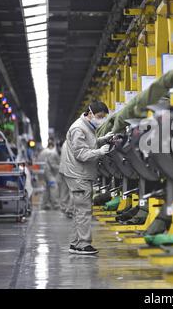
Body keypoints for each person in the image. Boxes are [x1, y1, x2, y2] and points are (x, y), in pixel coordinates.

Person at [59, 101, 114, 255]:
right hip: (78, 174)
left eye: (103, 117)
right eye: (99, 116)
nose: (101, 119)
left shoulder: (87, 127)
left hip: (80, 173)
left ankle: (76, 243)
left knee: (80, 210)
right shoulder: (78, 128)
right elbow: (81, 154)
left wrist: (103, 139)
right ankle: (83, 244)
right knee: (83, 210)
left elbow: (89, 143)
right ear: (90, 114)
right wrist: (100, 152)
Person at [37, 138, 59, 210]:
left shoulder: (42, 152)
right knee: (53, 187)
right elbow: (53, 165)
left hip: (42, 174)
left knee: (46, 188)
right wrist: (60, 168)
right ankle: (55, 204)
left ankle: (45, 204)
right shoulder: (52, 152)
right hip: (49, 174)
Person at [57, 140, 73, 218]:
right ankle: (70, 209)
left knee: (64, 190)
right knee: (73, 191)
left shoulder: (65, 142)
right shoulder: (74, 142)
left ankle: (63, 207)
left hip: (63, 170)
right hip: (70, 170)